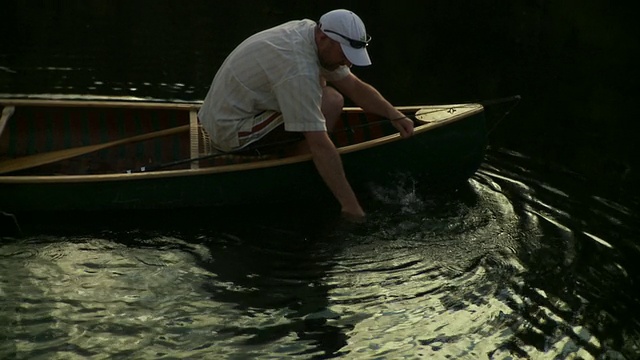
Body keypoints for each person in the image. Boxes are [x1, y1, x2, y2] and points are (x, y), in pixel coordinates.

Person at [198, 9, 414, 220]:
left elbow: (354, 86)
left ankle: (306, 154)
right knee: (329, 102)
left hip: (229, 110)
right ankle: (301, 161)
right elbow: (319, 142)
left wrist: (394, 115)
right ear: (323, 37)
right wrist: (351, 206)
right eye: (345, 54)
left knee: (330, 98)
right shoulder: (298, 68)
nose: (348, 63)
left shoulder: (309, 32)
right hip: (229, 130)